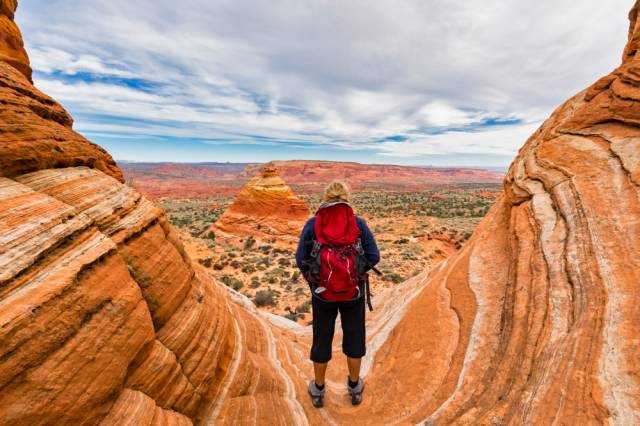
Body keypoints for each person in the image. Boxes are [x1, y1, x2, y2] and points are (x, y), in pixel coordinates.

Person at [295, 181, 380, 408]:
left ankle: (319, 389)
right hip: (354, 293)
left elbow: (300, 259)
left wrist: (315, 282)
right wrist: (357, 276)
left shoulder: (314, 223)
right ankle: (354, 387)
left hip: (322, 294)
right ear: (346, 197)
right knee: (354, 338)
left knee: (321, 339)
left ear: (325, 197)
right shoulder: (357, 223)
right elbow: (374, 256)